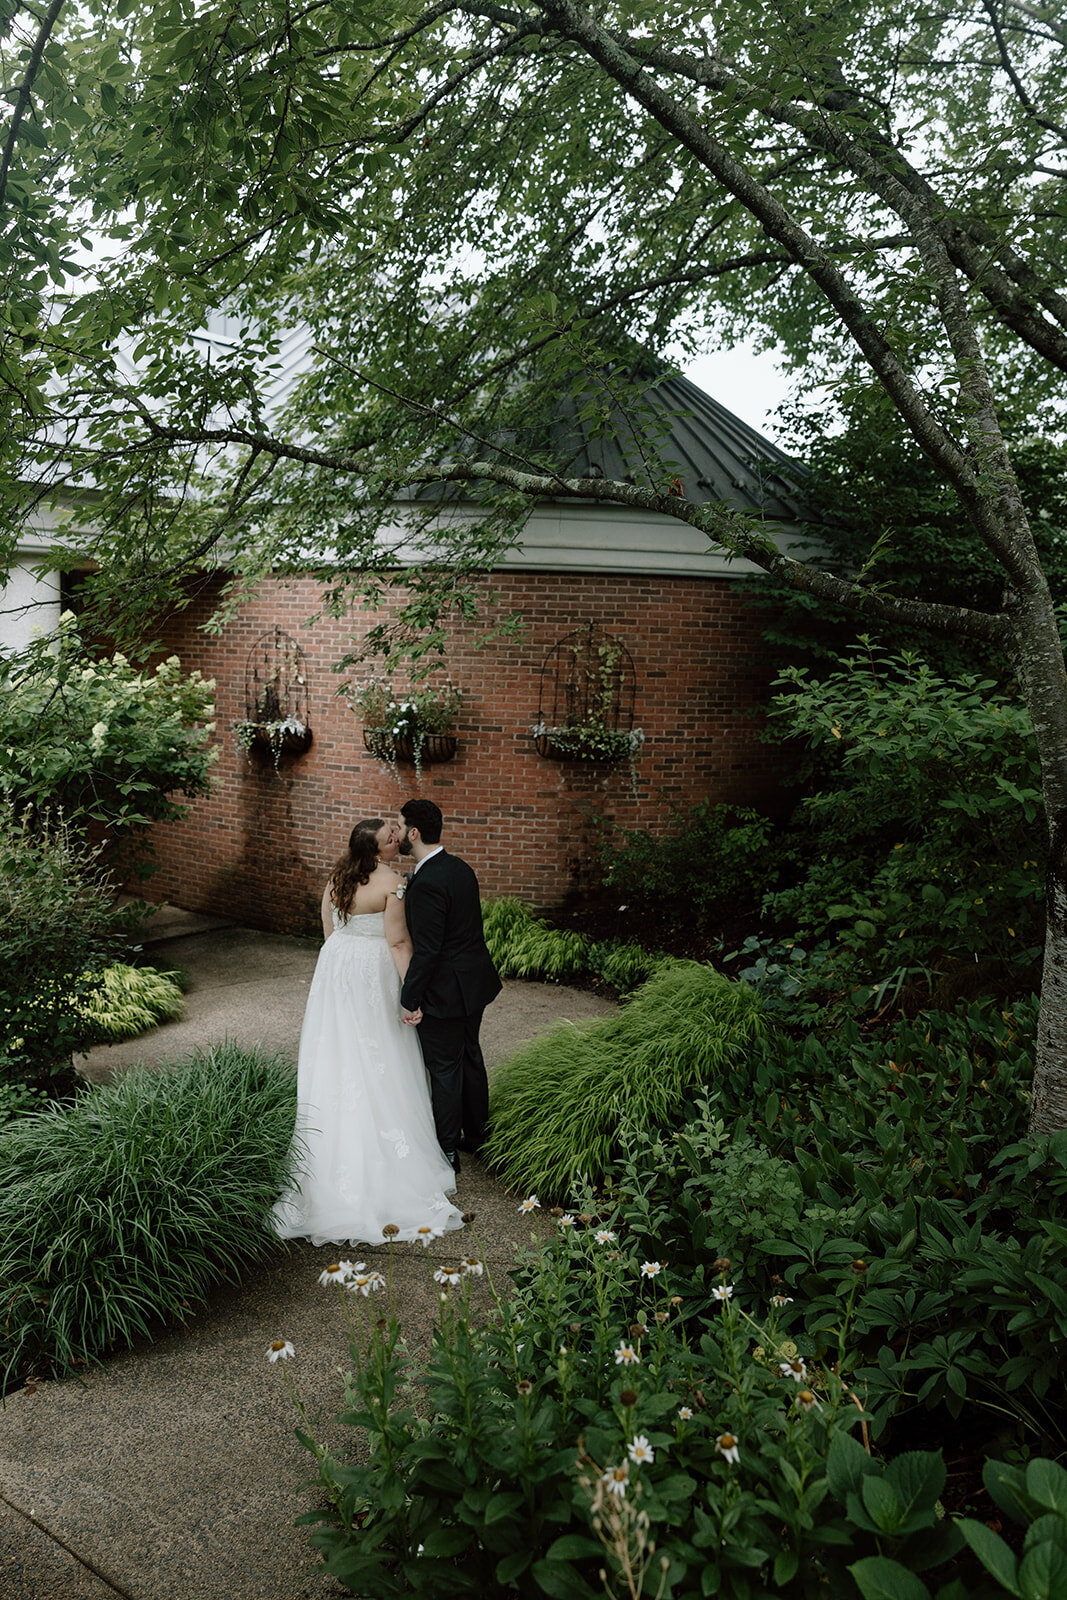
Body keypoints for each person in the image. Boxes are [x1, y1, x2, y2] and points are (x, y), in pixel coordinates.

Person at [270, 817, 463, 1246]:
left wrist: (338, 960)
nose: (397, 839)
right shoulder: (393, 883)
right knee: (382, 1052)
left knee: (339, 1049)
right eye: (390, 838)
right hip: (372, 974)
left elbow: (328, 927)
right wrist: (411, 996)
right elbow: (398, 944)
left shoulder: (339, 875)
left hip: (336, 968)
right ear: (378, 850)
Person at [396, 799, 502, 1174]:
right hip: (475, 983)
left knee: (444, 1067)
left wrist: (409, 997)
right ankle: (476, 1137)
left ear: (414, 832)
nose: (397, 835)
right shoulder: (460, 868)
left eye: (400, 826)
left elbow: (428, 950)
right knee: (470, 1056)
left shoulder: (425, 883)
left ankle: (446, 1152)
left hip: (446, 991)